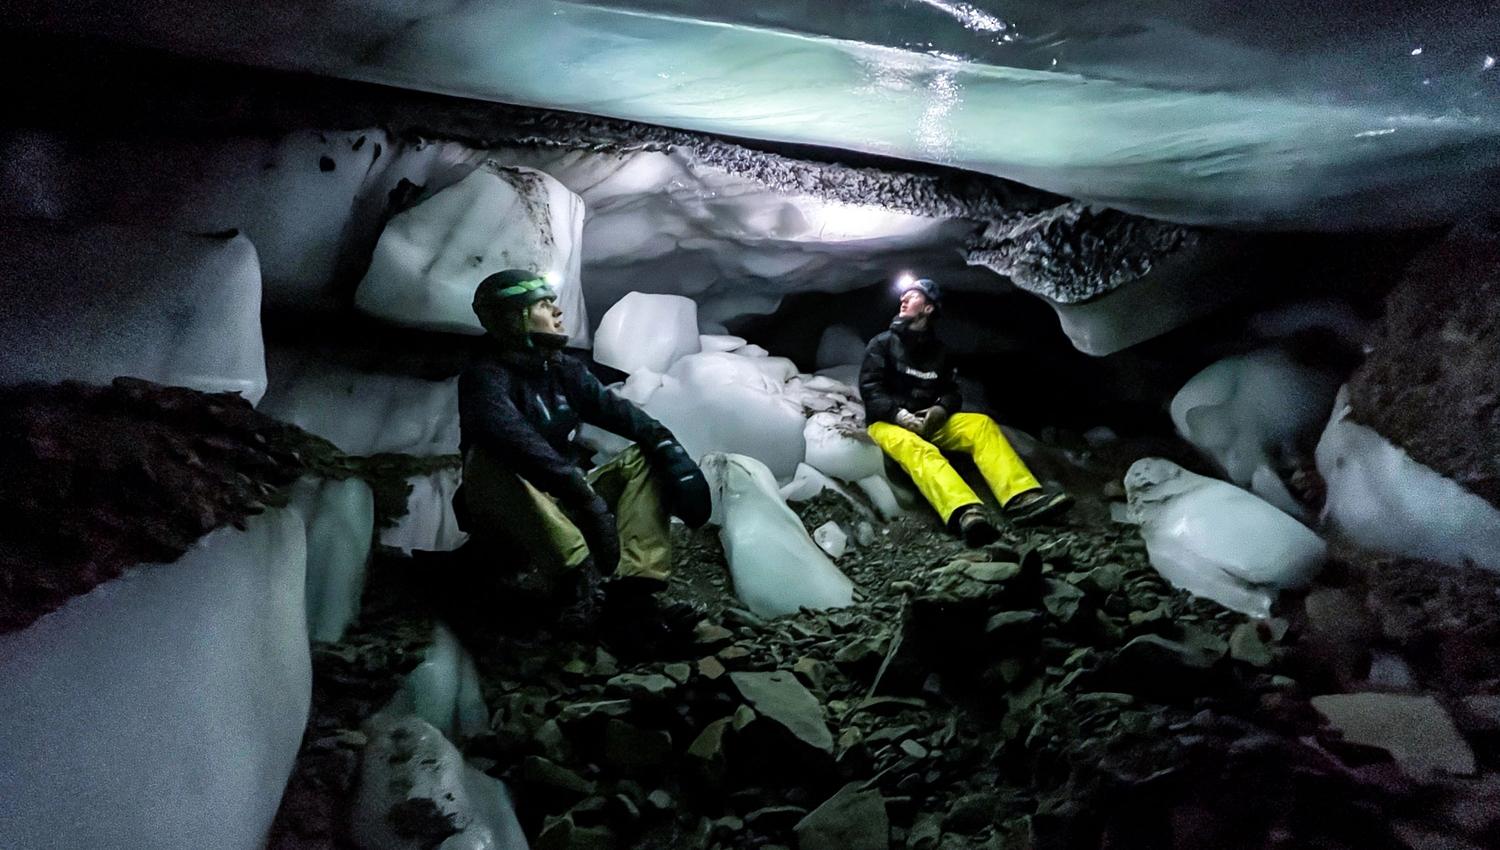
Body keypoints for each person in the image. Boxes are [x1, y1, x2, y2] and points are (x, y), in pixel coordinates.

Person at [454, 268, 710, 635]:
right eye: (543, 304)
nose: (557, 313)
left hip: (562, 501)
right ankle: (580, 588)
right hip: (511, 520)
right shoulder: (485, 377)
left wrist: (670, 451)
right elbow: (510, 438)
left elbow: (622, 415)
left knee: (643, 458)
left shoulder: (561, 371)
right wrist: (583, 497)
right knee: (489, 458)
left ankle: (634, 594)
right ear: (513, 317)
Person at [859, 277, 1071, 546]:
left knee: (980, 425)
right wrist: (898, 414)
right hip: (887, 422)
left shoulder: (939, 352)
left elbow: (951, 392)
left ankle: (1021, 497)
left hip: (927, 420)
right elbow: (870, 388)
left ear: (928, 308)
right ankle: (965, 511)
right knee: (919, 449)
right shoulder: (882, 344)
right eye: (904, 296)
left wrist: (940, 409)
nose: (903, 300)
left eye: (912, 296)